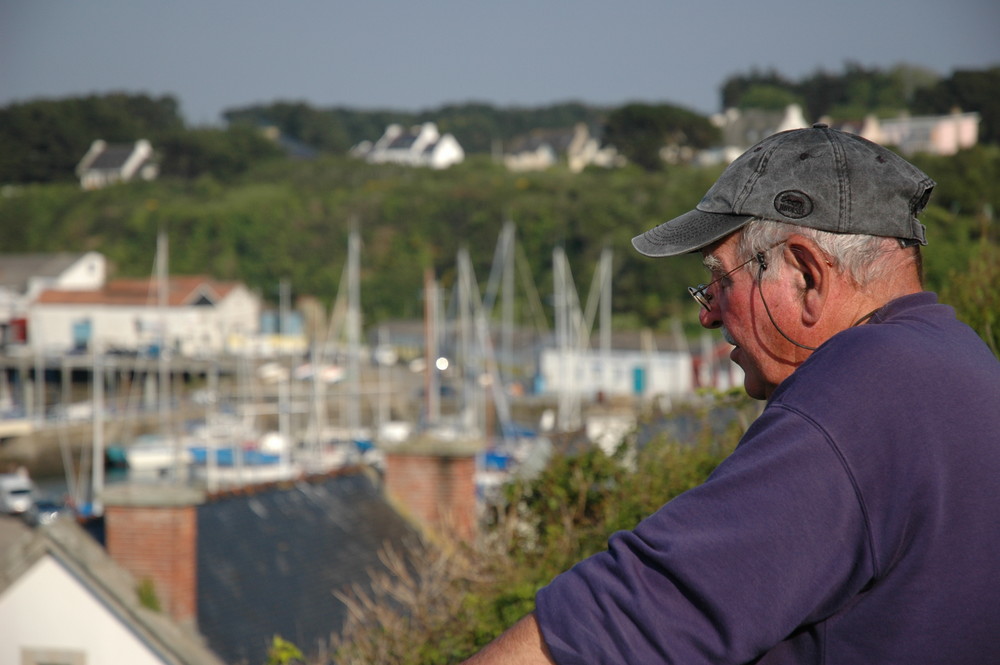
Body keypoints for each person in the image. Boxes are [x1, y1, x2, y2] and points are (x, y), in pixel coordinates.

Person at [461, 124, 1000, 664]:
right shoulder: (964, 361)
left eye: (721, 281)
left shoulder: (862, 391)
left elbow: (621, 624)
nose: (707, 314)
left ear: (806, 275)